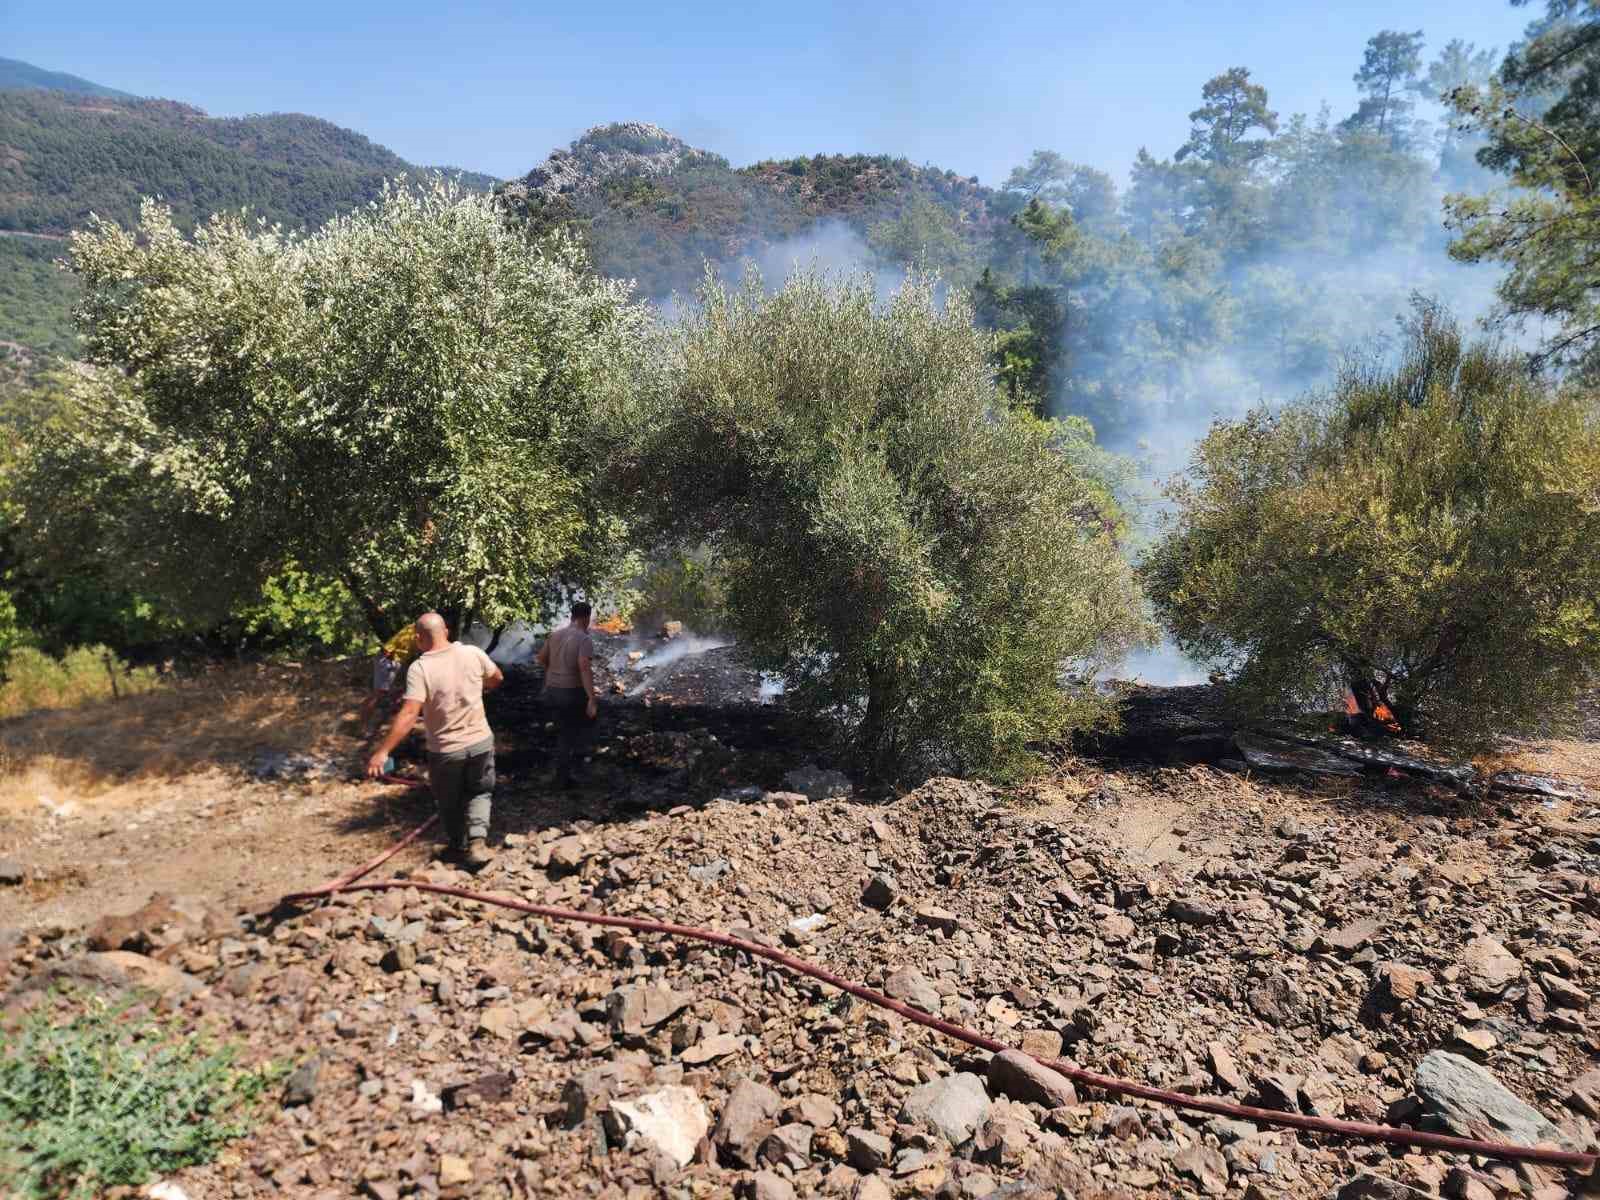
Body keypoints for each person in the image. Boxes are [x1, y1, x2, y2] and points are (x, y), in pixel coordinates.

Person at [366, 612, 504, 869]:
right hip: (480, 741)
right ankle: (478, 842)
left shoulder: (421, 668)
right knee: (480, 791)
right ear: (447, 631)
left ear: (418, 639)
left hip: (445, 750)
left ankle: (457, 846)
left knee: (448, 801)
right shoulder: (472, 653)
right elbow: (497, 678)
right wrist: (477, 687)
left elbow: (409, 713)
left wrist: (383, 751)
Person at [537, 601, 598, 788]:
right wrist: (591, 698)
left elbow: (541, 658)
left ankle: (561, 773)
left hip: (552, 691)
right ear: (586, 618)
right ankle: (564, 778)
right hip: (571, 692)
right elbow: (584, 668)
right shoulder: (584, 639)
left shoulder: (555, 635)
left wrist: (551, 673)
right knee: (571, 733)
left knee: (561, 731)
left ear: (572, 616)